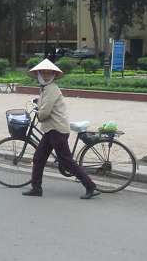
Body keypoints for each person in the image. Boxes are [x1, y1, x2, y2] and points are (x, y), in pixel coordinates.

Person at [22, 59, 100, 199]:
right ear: (39, 74)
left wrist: (38, 113)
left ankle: (90, 186)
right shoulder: (45, 88)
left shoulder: (51, 89)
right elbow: (44, 103)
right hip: (50, 130)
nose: (46, 75)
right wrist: (38, 103)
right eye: (43, 73)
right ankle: (36, 188)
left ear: (53, 75)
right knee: (39, 158)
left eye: (48, 73)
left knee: (66, 161)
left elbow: (45, 112)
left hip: (56, 130)